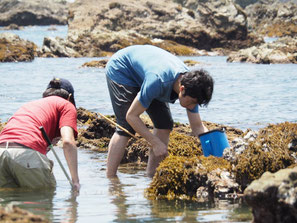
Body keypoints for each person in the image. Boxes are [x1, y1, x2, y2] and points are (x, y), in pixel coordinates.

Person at [105, 45, 214, 177]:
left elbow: (197, 127)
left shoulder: (194, 87)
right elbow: (131, 116)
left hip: (147, 72)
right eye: (191, 102)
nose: (192, 107)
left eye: (195, 104)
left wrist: (215, 150)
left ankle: (151, 175)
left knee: (164, 124)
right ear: (182, 89)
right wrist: (155, 143)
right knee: (125, 127)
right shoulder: (158, 81)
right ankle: (111, 180)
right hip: (122, 69)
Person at [0, 77, 80, 190]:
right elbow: (68, 142)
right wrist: (75, 180)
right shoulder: (66, 105)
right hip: (25, 152)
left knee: (8, 203)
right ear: (69, 97)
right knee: (44, 200)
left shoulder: (30, 105)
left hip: (1, 150)